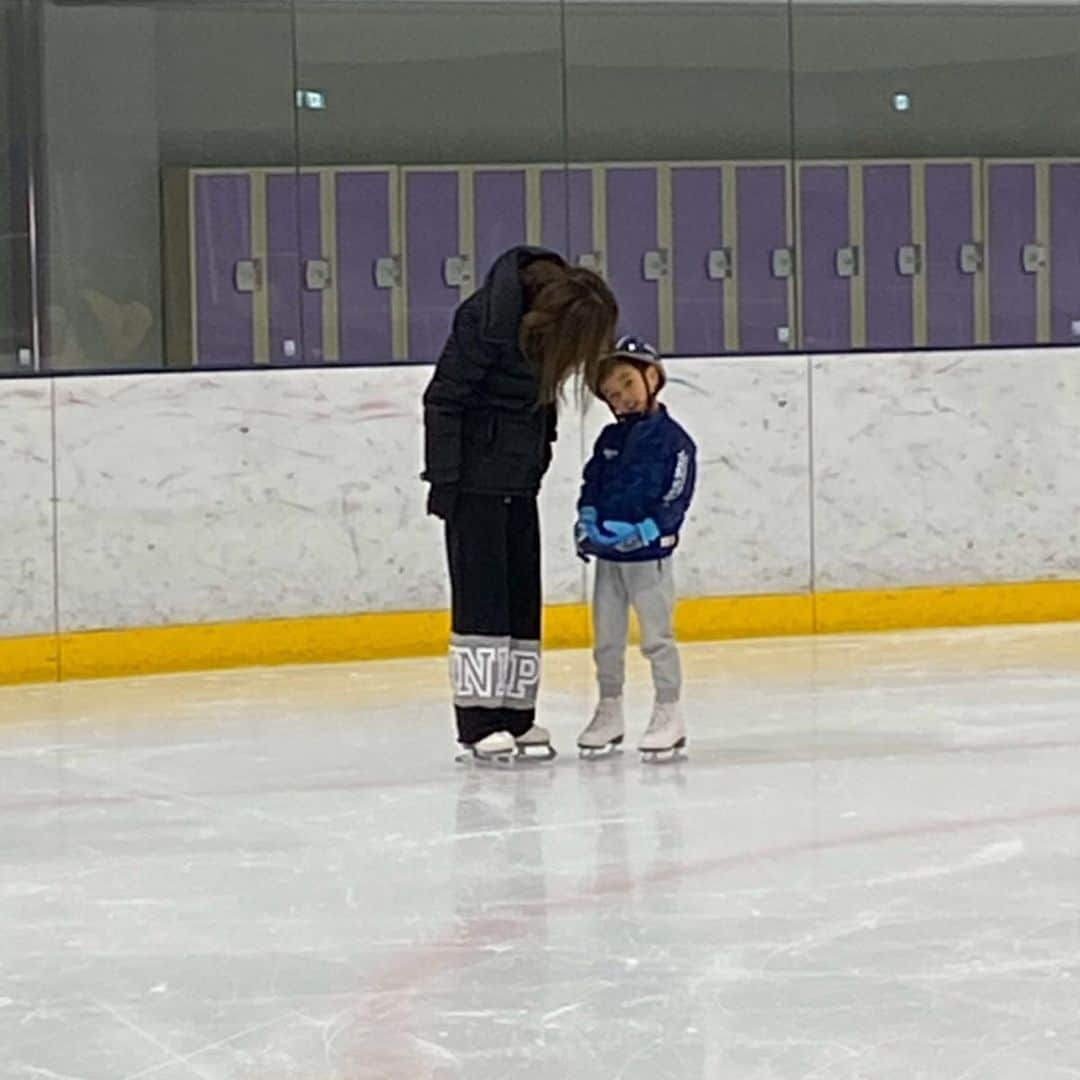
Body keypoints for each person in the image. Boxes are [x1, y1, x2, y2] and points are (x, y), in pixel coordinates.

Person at [422, 246, 618, 763]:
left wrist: (540, 455)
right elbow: (443, 400)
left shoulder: (542, 336)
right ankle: (477, 722)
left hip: (518, 482)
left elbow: (540, 406)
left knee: (520, 599)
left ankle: (516, 714)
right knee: (481, 603)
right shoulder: (484, 321)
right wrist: (444, 480)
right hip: (474, 486)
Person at [574, 335, 697, 762]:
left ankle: (668, 711)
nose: (621, 398)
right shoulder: (609, 439)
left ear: (651, 377)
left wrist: (649, 529)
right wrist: (586, 518)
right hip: (610, 560)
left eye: (627, 384)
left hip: (649, 561)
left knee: (656, 638)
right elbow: (593, 483)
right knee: (606, 638)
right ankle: (609, 710)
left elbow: (676, 495)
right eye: (611, 394)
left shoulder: (675, 443)